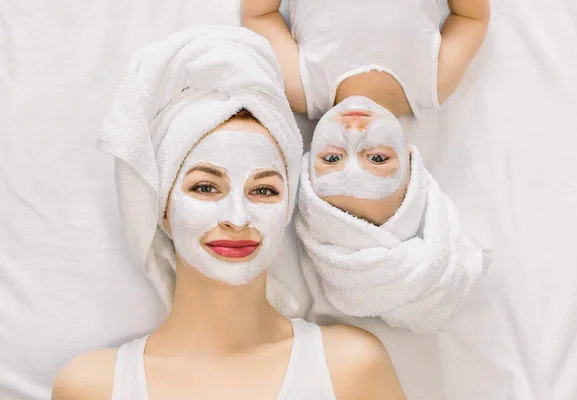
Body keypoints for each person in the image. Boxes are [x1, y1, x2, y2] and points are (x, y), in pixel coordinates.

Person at [52, 27, 406, 400]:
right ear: (164, 209)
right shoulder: (92, 386)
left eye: (263, 190)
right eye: (205, 187)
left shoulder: (350, 368)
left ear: (287, 209)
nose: (238, 218)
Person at [242, 0, 490, 224]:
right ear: (410, 161)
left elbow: (259, 14)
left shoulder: (301, 87)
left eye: (332, 158)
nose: (353, 133)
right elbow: (471, 18)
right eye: (377, 158)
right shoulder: (432, 84)